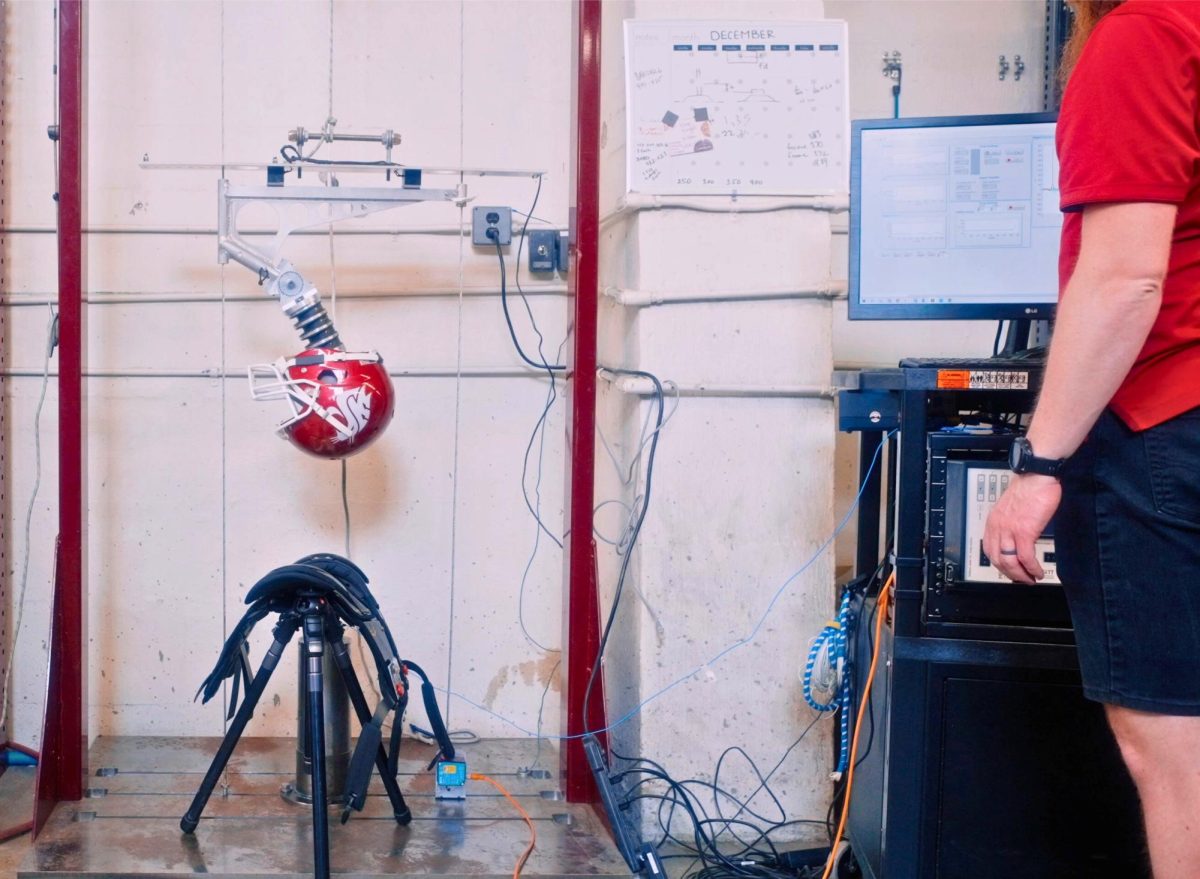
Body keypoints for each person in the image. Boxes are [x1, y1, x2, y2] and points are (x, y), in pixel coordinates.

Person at [983, 2, 1200, 877]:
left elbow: (1123, 279)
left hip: (1162, 423)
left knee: (1173, 754)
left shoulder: (1146, 33)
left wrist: (1040, 466)